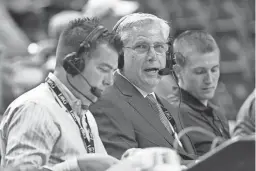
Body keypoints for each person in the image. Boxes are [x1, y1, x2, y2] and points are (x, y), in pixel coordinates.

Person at [0, 17, 123, 170]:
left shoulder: (85, 115)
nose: (110, 81)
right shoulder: (36, 109)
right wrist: (77, 166)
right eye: (104, 69)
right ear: (72, 63)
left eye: (113, 71)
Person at [90, 13, 197, 161]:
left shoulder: (166, 105)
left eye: (159, 47)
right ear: (118, 55)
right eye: (141, 47)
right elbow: (123, 166)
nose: (153, 55)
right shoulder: (106, 102)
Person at [172, 30, 230, 156]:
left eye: (214, 70)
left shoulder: (218, 114)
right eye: (200, 72)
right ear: (178, 71)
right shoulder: (173, 114)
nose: (209, 80)